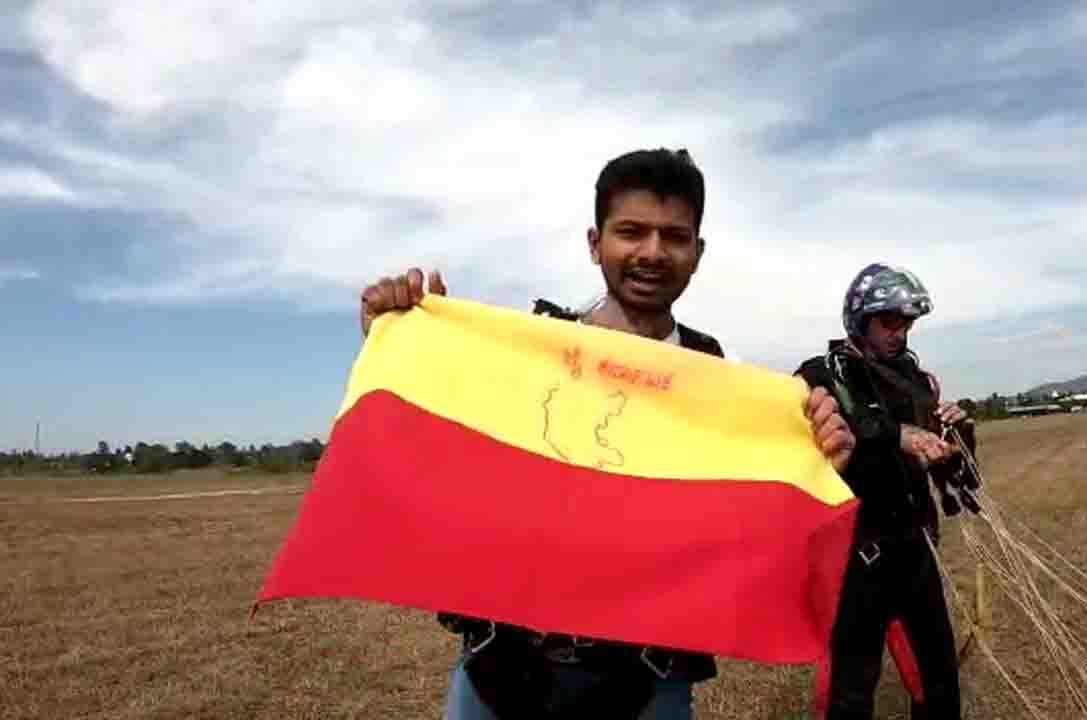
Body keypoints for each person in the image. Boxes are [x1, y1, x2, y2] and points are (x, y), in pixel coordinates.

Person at [357, 148, 855, 720]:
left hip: (647, 682)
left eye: (673, 236)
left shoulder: (729, 382)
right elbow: (429, 440)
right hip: (499, 670)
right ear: (596, 244)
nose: (651, 252)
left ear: (697, 252)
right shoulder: (527, 350)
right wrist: (399, 331)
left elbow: (750, 535)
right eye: (631, 232)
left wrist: (816, 461)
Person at [794, 263, 979, 720]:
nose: (900, 333)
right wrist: (897, 435)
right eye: (888, 322)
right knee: (850, 690)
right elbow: (811, 441)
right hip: (856, 557)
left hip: (915, 549)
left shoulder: (918, 382)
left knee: (938, 681)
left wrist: (958, 439)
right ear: (860, 321)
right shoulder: (819, 377)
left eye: (907, 323)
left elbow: (959, 483)